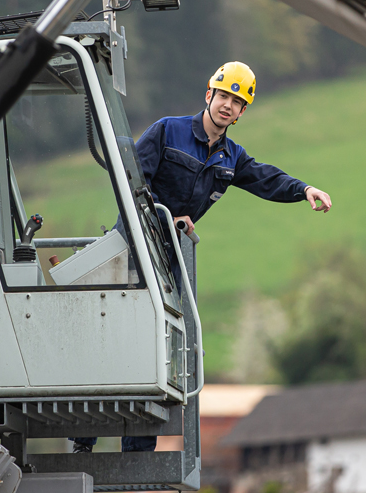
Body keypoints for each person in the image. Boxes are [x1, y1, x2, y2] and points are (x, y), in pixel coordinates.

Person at [72, 61, 332, 454]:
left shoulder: (231, 157)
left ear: (242, 112)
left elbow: (266, 178)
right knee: (110, 335)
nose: (228, 105)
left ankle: (138, 455)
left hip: (169, 260)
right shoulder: (167, 131)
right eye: (224, 95)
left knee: (158, 345)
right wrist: (165, 215)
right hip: (132, 248)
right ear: (209, 94)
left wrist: (304, 189)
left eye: (237, 102)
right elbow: (132, 181)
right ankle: (83, 440)